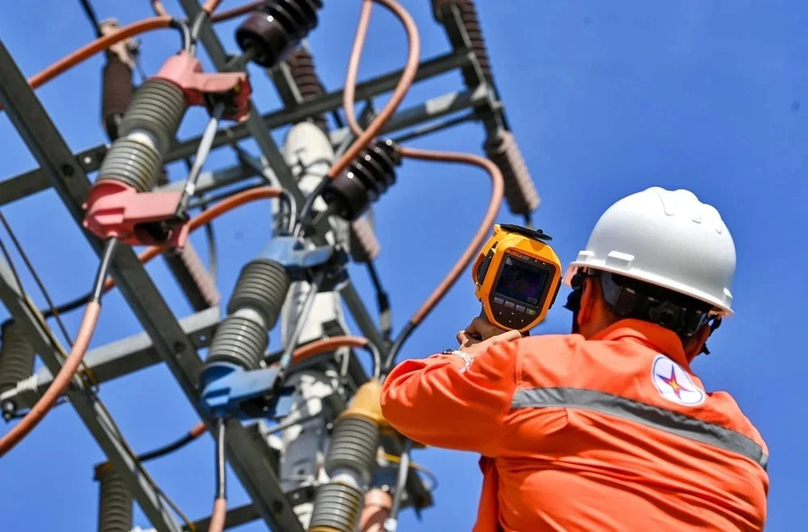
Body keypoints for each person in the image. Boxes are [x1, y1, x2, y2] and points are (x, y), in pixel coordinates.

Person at [380, 187, 768, 531]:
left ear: (588, 300)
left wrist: (470, 358)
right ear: (702, 335)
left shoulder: (533, 369)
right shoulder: (746, 449)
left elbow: (404, 400)